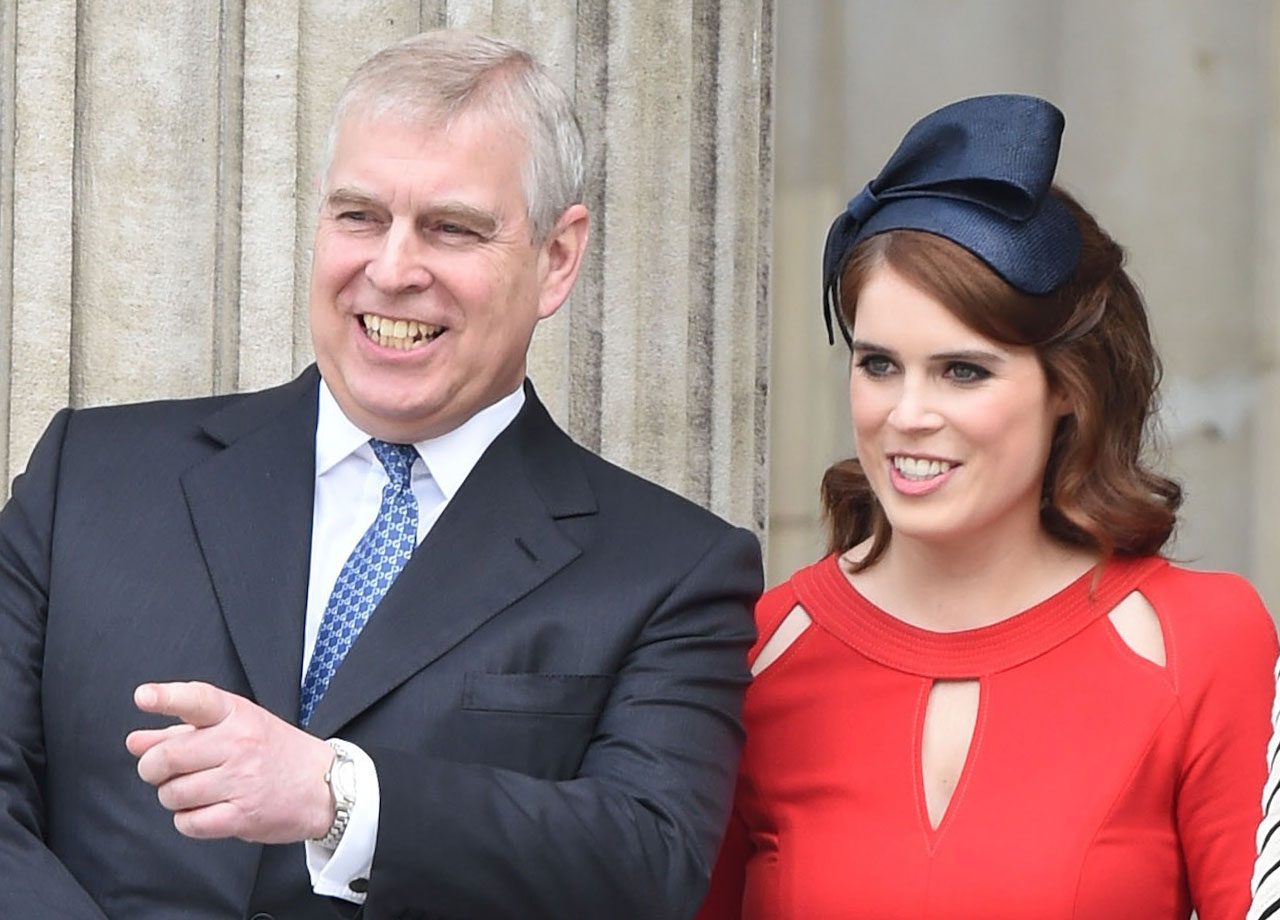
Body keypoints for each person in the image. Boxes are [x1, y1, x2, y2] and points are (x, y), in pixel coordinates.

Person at [0, 30, 762, 919]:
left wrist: (341, 796)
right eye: (359, 215)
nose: (393, 270)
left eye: (452, 228)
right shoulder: (89, 477)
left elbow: (648, 860)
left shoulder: (673, 568)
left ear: (557, 259)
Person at [695, 94, 1278, 919]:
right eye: (879, 365)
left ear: (1066, 392)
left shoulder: (1206, 640)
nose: (906, 414)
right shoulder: (755, 648)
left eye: (963, 371)